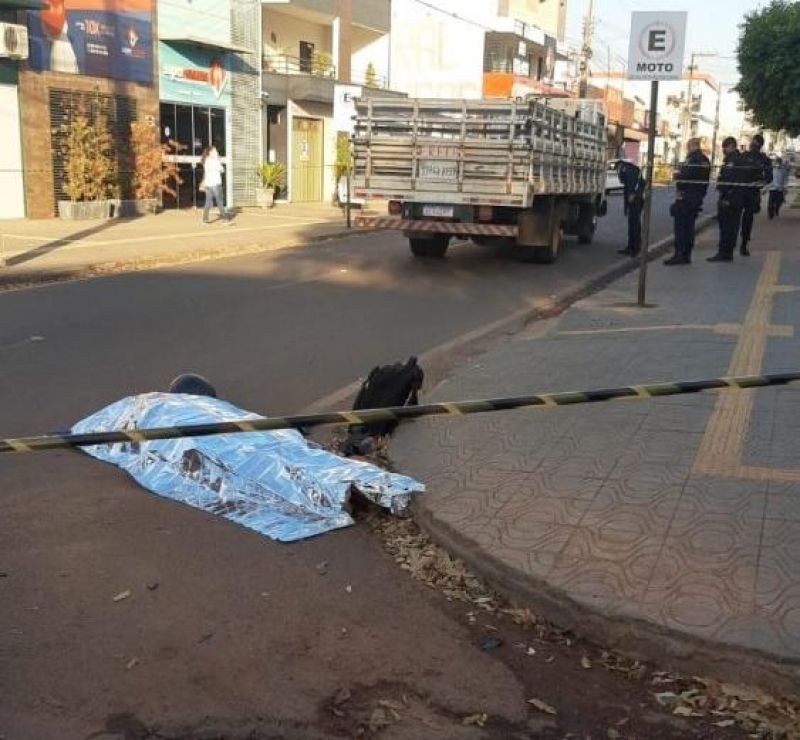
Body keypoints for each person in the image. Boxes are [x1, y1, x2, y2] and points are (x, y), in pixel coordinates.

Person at [665, 137, 711, 265]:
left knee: (681, 227)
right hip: (697, 196)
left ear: (691, 145)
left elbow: (685, 176)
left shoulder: (692, 159)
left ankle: (679, 254)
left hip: (686, 197)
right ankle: (686, 254)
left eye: (687, 146)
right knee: (690, 227)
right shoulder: (705, 160)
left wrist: (676, 176)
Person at [708, 137, 747, 263]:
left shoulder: (733, 159)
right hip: (737, 198)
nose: (724, 150)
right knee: (732, 226)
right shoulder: (739, 158)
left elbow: (729, 179)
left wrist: (724, 191)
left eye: (725, 147)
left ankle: (724, 252)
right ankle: (728, 252)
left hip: (730, 198)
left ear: (731, 146)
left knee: (726, 226)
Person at [738, 133, 772, 255]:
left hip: (749, 191)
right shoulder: (745, 156)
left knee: (746, 218)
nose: (753, 144)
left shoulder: (762, 159)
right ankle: (743, 243)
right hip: (743, 190)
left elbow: (768, 178)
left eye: (755, 142)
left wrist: (760, 183)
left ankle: (743, 243)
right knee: (746, 218)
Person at [617, 160, 645, 257]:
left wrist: (633, 194)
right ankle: (631, 246)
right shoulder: (630, 169)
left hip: (635, 199)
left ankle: (635, 247)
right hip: (634, 198)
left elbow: (635, 184)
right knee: (632, 222)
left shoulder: (628, 170)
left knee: (634, 223)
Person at [200, 146, 231, 225]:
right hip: (216, 183)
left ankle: (205, 219)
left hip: (208, 184)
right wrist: (217, 159)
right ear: (210, 152)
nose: (216, 152)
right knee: (220, 202)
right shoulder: (215, 161)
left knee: (208, 202)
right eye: (215, 151)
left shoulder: (206, 161)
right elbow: (222, 170)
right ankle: (224, 219)